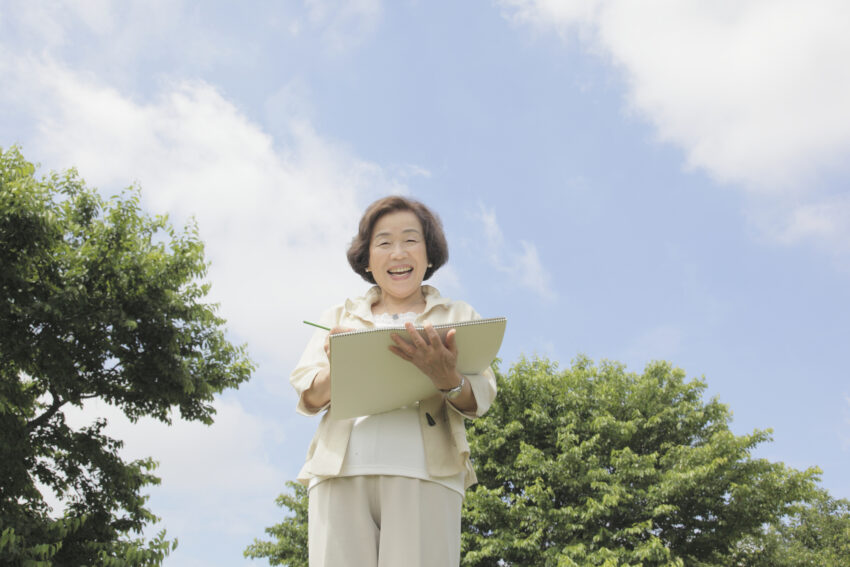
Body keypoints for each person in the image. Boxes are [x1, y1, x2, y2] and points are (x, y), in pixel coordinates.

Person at [290, 196, 498, 566]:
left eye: (410, 240)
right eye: (384, 243)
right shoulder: (339, 317)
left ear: (429, 254)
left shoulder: (458, 315)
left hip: (426, 476)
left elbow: (479, 398)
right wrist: (343, 368)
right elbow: (308, 394)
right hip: (339, 475)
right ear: (367, 260)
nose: (398, 252)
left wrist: (447, 378)